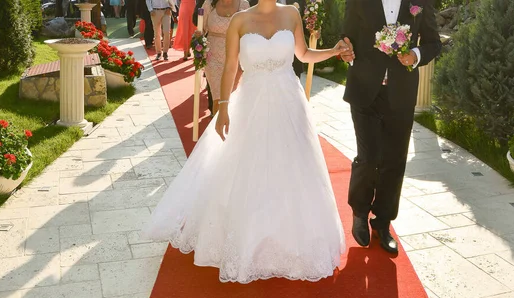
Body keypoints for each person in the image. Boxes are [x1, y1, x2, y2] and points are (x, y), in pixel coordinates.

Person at [143, 0, 352, 283]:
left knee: (292, 169)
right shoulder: (240, 21)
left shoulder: (291, 13)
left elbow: (303, 55)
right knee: (249, 169)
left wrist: (333, 51)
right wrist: (223, 107)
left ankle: (291, 242)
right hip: (251, 102)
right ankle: (249, 241)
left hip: (289, 104)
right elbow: (230, 66)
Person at [340, 0, 441, 254]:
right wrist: (345, 48)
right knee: (369, 156)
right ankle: (360, 212)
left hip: (401, 93)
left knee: (394, 160)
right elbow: (346, 36)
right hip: (365, 90)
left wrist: (415, 55)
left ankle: (383, 223)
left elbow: (433, 43)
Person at [200, 0, 250, 114]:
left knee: (231, 98)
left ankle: (231, 129)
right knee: (218, 100)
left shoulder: (244, 4)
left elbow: (249, 31)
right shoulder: (209, 4)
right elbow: (200, 29)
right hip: (213, 58)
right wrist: (198, 39)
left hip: (236, 58)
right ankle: (216, 130)